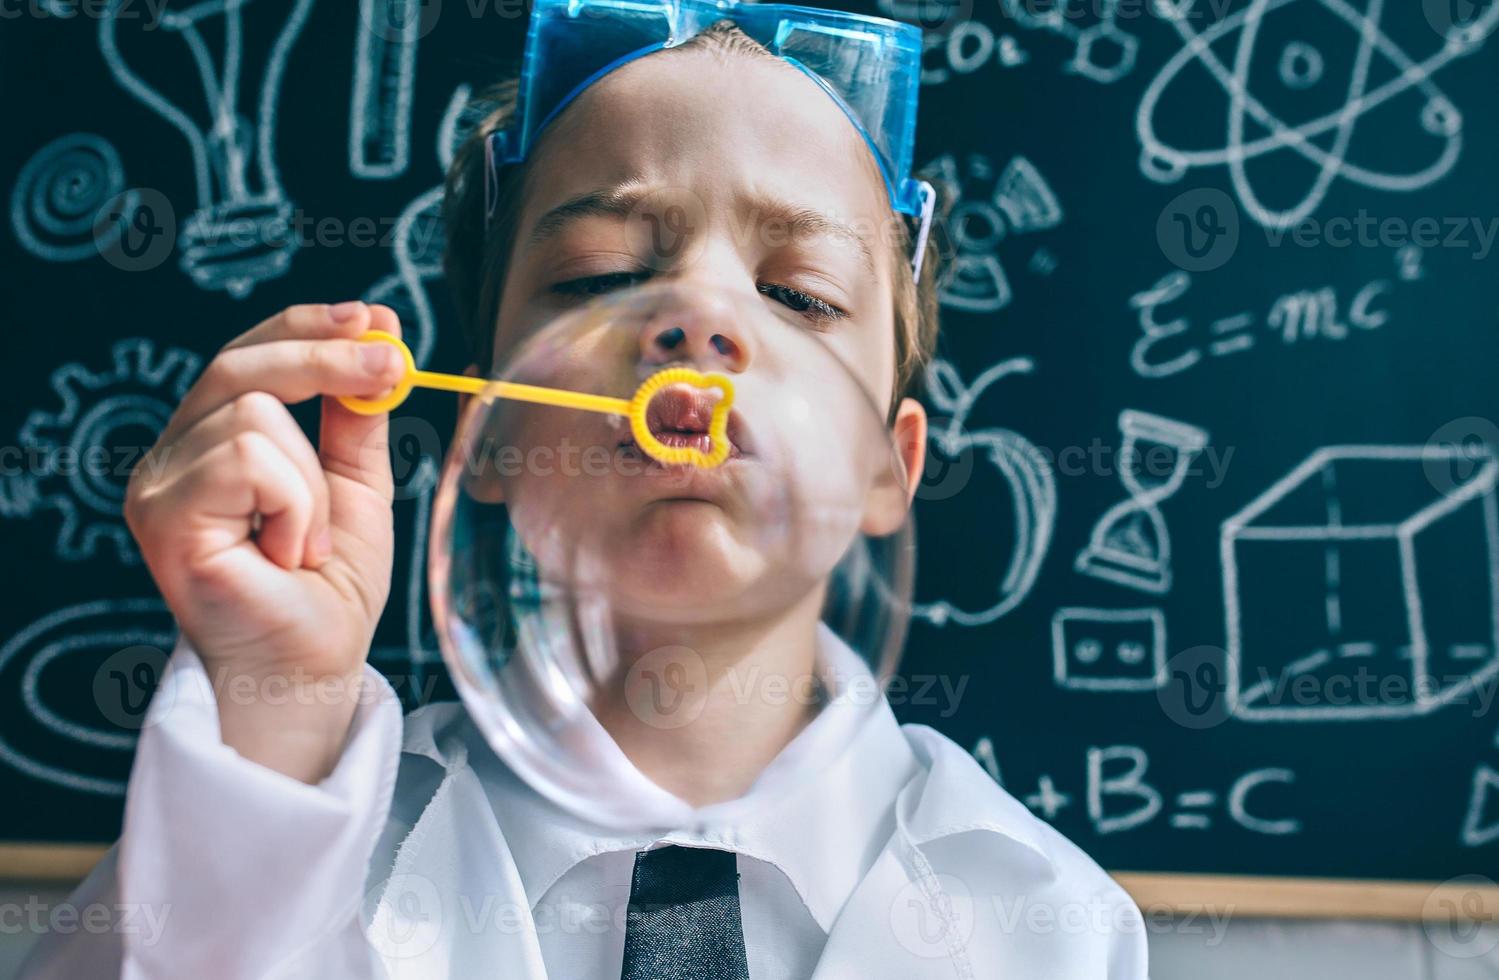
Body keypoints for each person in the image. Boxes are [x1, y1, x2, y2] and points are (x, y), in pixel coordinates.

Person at [22, 2, 1149, 977]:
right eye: (604, 275)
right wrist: (265, 703)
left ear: (883, 466)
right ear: (493, 436)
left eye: (797, 294)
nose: (698, 319)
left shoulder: (1055, 924)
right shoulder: (274, 810)